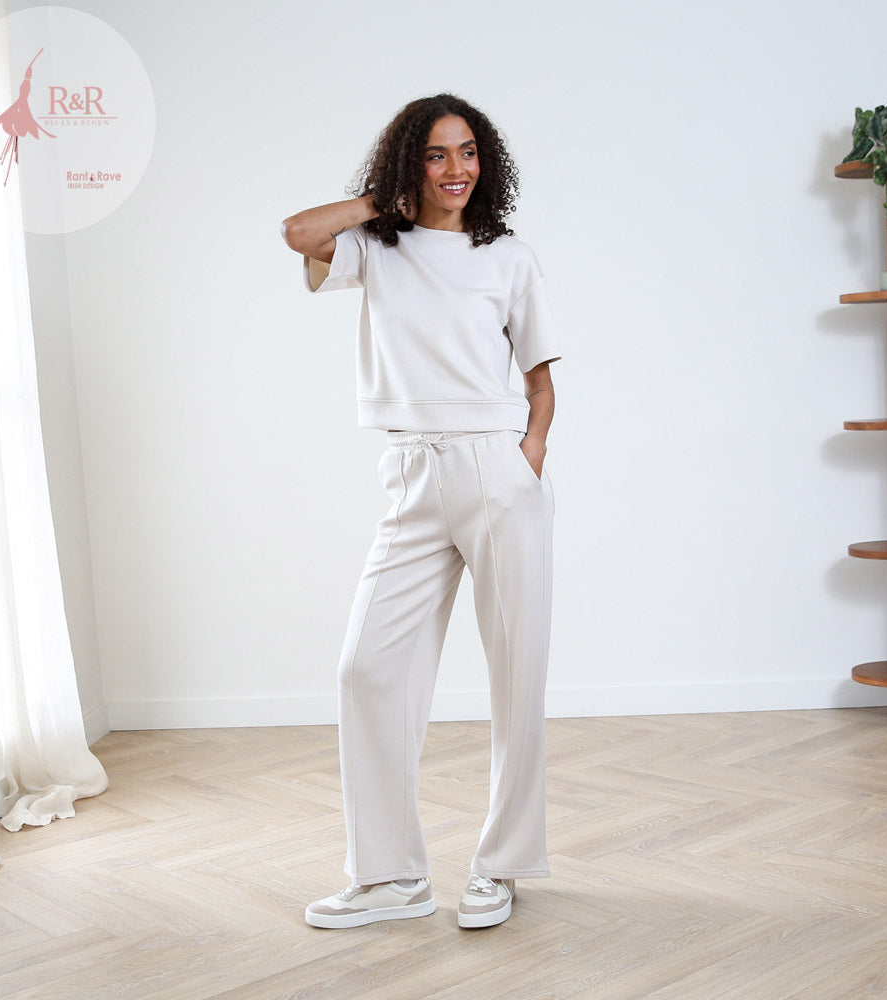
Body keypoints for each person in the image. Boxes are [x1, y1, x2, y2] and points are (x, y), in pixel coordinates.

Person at [280, 93, 561, 930]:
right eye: (435, 154)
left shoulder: (509, 258)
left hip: (495, 469)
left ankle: (501, 866)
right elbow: (298, 232)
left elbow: (541, 382)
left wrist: (526, 459)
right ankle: (391, 876)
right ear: (411, 163)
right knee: (367, 668)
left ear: (486, 161)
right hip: (411, 472)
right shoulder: (377, 247)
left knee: (517, 673)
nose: (455, 169)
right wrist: (384, 198)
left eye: (467, 152)